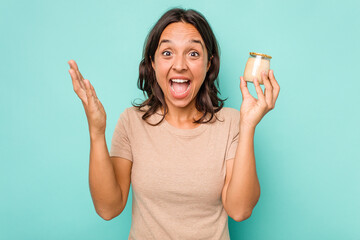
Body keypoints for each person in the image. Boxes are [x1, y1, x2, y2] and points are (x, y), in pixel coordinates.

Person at [68, 7, 280, 240]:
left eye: (193, 54)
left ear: (209, 63)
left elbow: (239, 210)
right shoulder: (131, 121)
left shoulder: (230, 122)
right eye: (167, 53)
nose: (179, 65)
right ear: (153, 63)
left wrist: (248, 126)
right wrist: (97, 132)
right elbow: (108, 208)